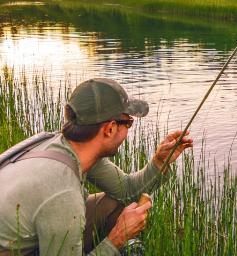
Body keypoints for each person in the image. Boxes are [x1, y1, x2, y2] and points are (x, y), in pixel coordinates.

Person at [0, 78, 193, 255]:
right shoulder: (64, 194)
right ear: (109, 129)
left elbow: (125, 191)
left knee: (111, 203)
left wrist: (159, 162)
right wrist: (116, 238)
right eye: (128, 122)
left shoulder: (63, 145)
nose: (128, 130)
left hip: (26, 229)